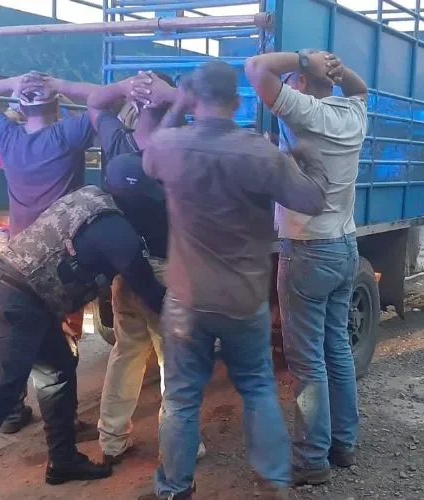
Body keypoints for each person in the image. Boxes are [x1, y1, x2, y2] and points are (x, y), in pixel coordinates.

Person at [141, 61, 329, 500]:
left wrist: (175, 107)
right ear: (238, 100)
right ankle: (274, 483)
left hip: (187, 299)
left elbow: (148, 156)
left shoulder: (171, 145)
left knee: (182, 399)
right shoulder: (260, 153)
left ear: (193, 97)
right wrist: (311, 162)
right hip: (244, 299)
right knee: (258, 387)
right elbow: (312, 201)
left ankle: (173, 490)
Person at [0, 184, 165, 498]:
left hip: (28, 299)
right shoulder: (118, 232)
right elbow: (152, 294)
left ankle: (63, 461)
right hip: (13, 306)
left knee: (58, 371)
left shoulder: (91, 196)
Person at [245, 49, 369, 485]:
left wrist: (302, 59)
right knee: (336, 350)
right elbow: (360, 88)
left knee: (308, 361)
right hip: (344, 246)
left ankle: (312, 459)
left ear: (300, 84)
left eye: (297, 78)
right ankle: (343, 445)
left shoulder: (307, 113)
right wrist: (338, 68)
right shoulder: (352, 114)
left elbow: (257, 69)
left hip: (307, 250)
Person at [86, 71, 207, 466]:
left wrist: (124, 89)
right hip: (169, 271)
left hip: (126, 268)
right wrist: (174, 97)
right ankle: (182, 445)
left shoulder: (118, 140)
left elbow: (94, 103)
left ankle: (112, 439)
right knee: (173, 361)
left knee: (126, 354)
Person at [0, 72, 98, 433]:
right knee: (62, 341)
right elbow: (106, 99)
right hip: (60, 260)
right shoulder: (65, 135)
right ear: (57, 104)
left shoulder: (8, 135)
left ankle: (12, 412)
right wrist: (61, 83)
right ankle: (63, 419)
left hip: (18, 257)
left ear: (18, 106)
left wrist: (11, 84)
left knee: (18, 339)